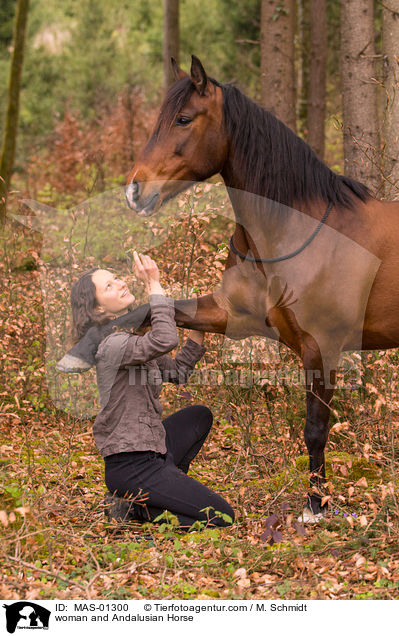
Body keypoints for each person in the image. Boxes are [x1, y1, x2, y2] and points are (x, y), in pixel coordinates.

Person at [69, 251, 235, 529]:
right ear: (98, 310)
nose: (120, 283)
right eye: (108, 286)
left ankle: (160, 494)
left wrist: (201, 321)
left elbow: (178, 371)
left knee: (199, 416)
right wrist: (153, 285)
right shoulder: (111, 346)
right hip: (132, 465)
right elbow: (166, 339)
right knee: (222, 516)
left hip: (153, 449)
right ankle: (141, 511)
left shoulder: (132, 340)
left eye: (117, 278)